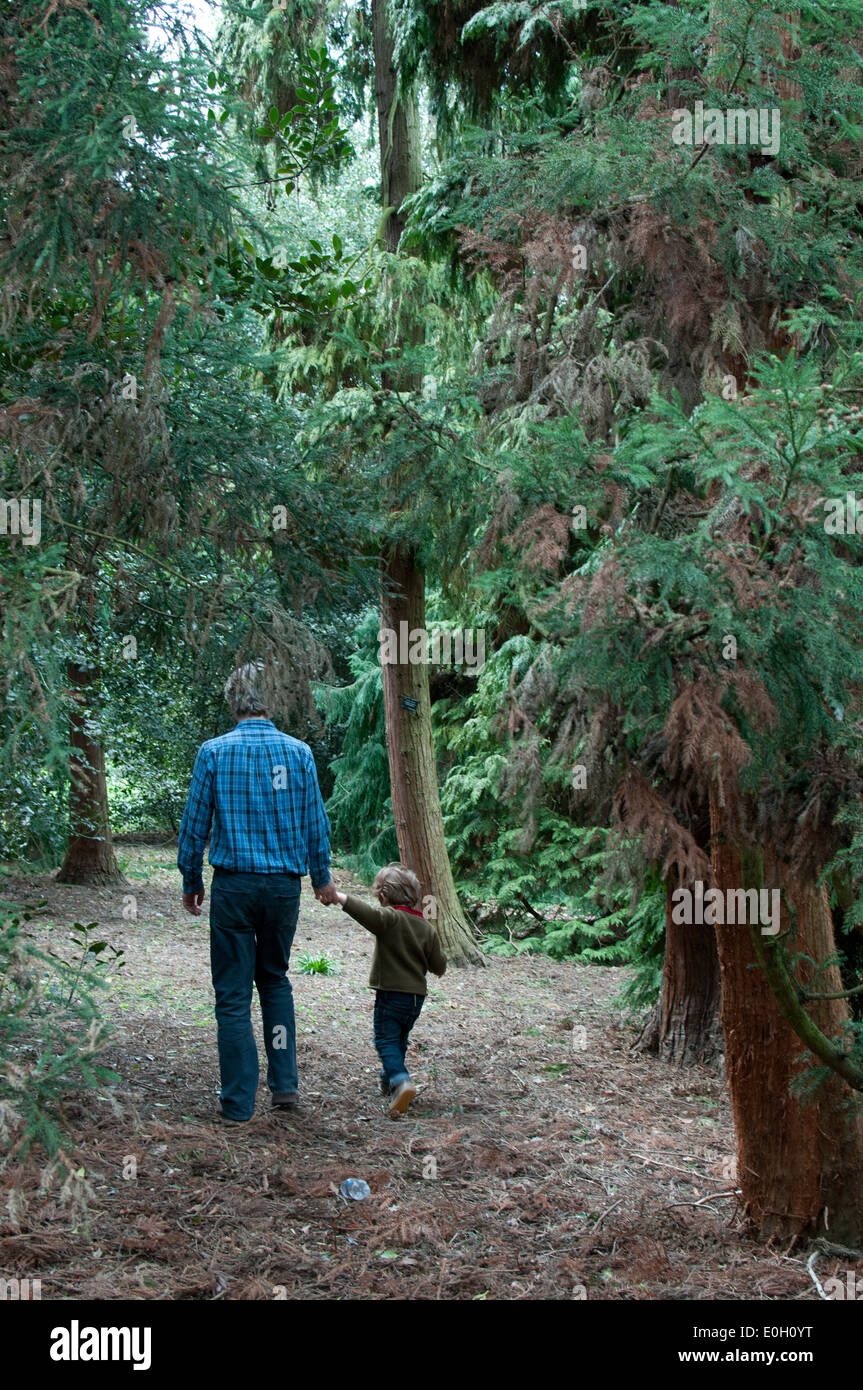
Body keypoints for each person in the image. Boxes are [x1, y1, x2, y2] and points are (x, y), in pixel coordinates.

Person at [177, 662, 339, 1123]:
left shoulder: (213, 753)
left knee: (231, 996)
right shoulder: (300, 753)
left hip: (233, 887)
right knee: (274, 981)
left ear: (234, 701)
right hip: (282, 890)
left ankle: (237, 1103)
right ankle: (284, 1086)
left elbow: (194, 826)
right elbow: (315, 823)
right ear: (275, 699)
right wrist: (320, 876)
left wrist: (192, 880)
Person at [329, 863, 447, 1116]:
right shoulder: (427, 928)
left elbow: (367, 915)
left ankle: (401, 1080)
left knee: (385, 1040)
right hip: (416, 999)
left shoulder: (390, 918)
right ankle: (389, 1081)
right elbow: (439, 966)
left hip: (391, 994)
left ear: (383, 897)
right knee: (399, 1039)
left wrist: (340, 897)